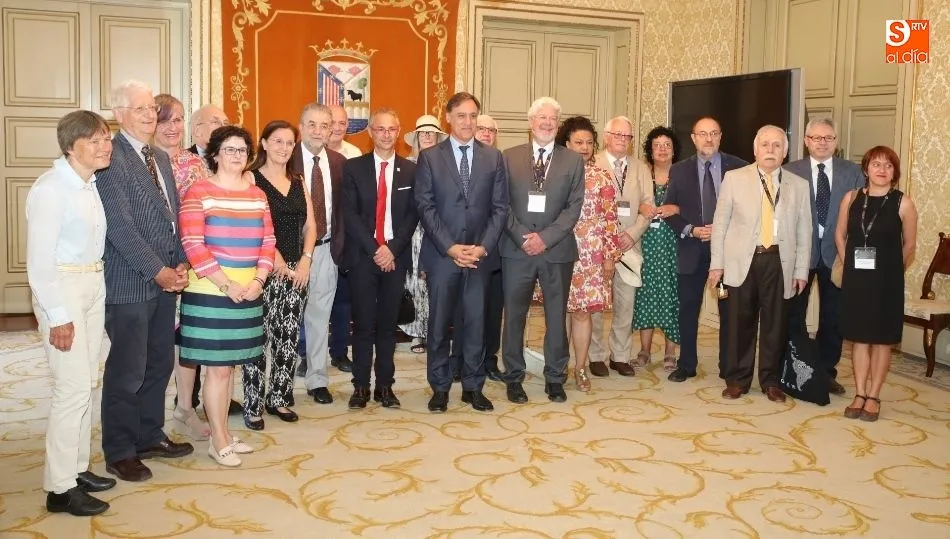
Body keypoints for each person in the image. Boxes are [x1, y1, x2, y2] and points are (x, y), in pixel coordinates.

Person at [97, 80, 194, 483]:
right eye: (140, 109)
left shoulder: (158, 155)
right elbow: (120, 227)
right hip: (130, 282)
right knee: (127, 369)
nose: (150, 115)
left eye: (152, 107)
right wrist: (159, 271)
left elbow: (171, 217)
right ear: (119, 115)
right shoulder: (109, 157)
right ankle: (119, 450)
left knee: (158, 363)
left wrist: (180, 262)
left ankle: (149, 434)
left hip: (165, 280)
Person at [27, 110, 116, 516]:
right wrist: (58, 314)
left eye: (106, 138)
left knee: (86, 383)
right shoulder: (51, 190)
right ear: (70, 146)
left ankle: (78, 469)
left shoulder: (87, 183)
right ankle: (60, 488)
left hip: (90, 285)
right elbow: (39, 264)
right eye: (95, 140)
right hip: (62, 288)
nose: (105, 146)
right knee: (71, 387)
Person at [179, 125, 276, 465]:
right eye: (229, 149)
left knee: (229, 368)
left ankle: (222, 430)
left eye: (241, 149)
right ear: (215, 154)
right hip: (211, 291)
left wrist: (259, 281)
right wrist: (227, 284)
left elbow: (268, 241)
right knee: (217, 370)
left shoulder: (257, 195)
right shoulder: (199, 191)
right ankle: (218, 438)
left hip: (249, 291)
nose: (236, 155)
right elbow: (193, 244)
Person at [415, 92, 508, 413]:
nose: (468, 122)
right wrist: (451, 247)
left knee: (476, 325)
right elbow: (425, 207)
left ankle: (473, 386)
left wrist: (482, 247)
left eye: (473, 116)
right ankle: (439, 387)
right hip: (443, 257)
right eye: (461, 116)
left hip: (480, 257)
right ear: (449, 119)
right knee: (439, 325)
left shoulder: (493, 158)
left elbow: (500, 209)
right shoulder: (430, 157)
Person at [709, 125, 811, 403]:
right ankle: (738, 380)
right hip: (741, 261)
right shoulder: (733, 179)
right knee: (740, 322)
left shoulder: (799, 186)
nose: (770, 150)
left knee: (775, 325)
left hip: (780, 261)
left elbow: (805, 231)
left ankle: (770, 380)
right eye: (765, 144)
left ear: (785, 152)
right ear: (755, 150)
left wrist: (801, 270)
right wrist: (716, 265)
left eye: (777, 145)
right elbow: (720, 226)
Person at [501, 97, 584, 403]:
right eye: (541, 118)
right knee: (513, 317)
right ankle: (513, 377)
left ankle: (555, 377)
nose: (547, 123)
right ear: (530, 122)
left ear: (558, 124)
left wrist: (545, 238)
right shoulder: (508, 157)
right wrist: (523, 236)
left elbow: (574, 208)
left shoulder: (572, 161)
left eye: (553, 119)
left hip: (556, 250)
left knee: (555, 316)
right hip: (516, 249)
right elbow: (502, 204)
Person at [341, 108, 419, 409]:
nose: (386, 134)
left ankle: (385, 387)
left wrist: (392, 248)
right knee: (362, 326)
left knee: (388, 326)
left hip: (395, 259)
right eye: (380, 129)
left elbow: (413, 215)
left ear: (398, 132)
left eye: (391, 129)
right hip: (363, 258)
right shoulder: (353, 168)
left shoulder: (411, 171)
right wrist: (376, 249)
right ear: (370, 132)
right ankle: (360, 386)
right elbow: (350, 214)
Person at [241, 120, 315, 430]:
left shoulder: (298, 179)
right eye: (278, 141)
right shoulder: (250, 178)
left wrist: (307, 260)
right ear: (264, 143)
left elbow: (311, 225)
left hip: (297, 272)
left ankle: (279, 398)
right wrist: (278, 261)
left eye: (289, 143)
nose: (284, 148)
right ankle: (253, 403)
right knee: (257, 339)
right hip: (261, 268)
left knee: (287, 337)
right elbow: (253, 223)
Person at [663, 116, 747, 383]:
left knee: (728, 311)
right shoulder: (679, 170)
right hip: (691, 251)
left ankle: (727, 365)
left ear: (720, 136)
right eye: (702, 134)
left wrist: (725, 232)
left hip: (726, 254)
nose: (708, 139)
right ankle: (686, 364)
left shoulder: (740, 168)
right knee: (688, 309)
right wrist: (692, 229)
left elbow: (747, 213)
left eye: (713, 133)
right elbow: (669, 211)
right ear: (693, 138)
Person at [837, 146, 917, 421]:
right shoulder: (851, 198)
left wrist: (892, 270)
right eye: (876, 164)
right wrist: (850, 265)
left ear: (894, 172)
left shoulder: (902, 202)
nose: (882, 170)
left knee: (881, 340)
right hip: (857, 279)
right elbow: (840, 235)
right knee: (859, 338)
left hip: (887, 282)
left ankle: (874, 395)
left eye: (888, 166)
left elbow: (909, 245)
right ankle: (859, 393)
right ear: (866, 168)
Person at [783, 118, 863, 396]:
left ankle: (827, 372)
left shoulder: (853, 172)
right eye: (816, 138)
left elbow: (860, 214)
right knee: (794, 314)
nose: (822, 143)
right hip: (798, 255)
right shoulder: (789, 171)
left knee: (834, 317)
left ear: (836, 141)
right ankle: (797, 366)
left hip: (836, 254)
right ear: (806, 141)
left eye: (828, 138)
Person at [153, 93, 212, 441]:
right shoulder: (141, 162)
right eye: (165, 120)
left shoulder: (195, 164)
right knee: (156, 346)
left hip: (191, 264)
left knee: (186, 340)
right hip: (153, 267)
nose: (173, 127)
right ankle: (148, 420)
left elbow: (206, 214)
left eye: (178, 120)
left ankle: (184, 409)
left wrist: (191, 260)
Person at [553, 116, 620, 392]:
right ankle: (558, 368)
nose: (584, 148)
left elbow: (610, 218)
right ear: (566, 144)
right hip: (558, 249)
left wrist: (609, 256)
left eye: (589, 143)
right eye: (578, 142)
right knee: (558, 313)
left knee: (582, 314)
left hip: (590, 254)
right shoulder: (553, 173)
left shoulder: (602, 175)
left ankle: (580, 369)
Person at [588, 116, 653, 378]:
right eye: (617, 135)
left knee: (625, 304)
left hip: (629, 245)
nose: (622, 140)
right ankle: (594, 356)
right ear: (606, 137)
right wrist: (606, 238)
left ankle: (621, 356)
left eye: (627, 136)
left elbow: (648, 206)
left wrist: (632, 234)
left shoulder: (641, 168)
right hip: (598, 246)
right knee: (596, 305)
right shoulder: (593, 163)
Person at [293, 103, 346, 404]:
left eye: (323, 125)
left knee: (318, 317)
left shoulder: (339, 163)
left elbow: (344, 210)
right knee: (285, 320)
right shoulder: (284, 159)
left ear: (330, 130)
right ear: (300, 127)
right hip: (291, 255)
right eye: (311, 124)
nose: (317, 131)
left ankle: (317, 379)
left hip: (326, 251)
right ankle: (280, 382)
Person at [449, 114, 504, 382]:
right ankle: (458, 360)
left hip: (493, 252)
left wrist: (484, 245)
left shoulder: (498, 161)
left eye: (491, 130)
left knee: (492, 312)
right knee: (462, 311)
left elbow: (502, 208)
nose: (485, 133)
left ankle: (489, 361)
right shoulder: (457, 159)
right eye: (481, 128)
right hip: (460, 249)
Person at [634, 126, 682, 372]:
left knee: (672, 297)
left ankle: (671, 351)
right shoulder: (642, 173)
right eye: (657, 145)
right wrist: (640, 207)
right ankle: (643, 350)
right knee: (646, 295)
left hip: (675, 245)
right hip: (646, 245)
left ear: (674, 150)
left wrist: (677, 209)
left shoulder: (683, 174)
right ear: (650, 150)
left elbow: (695, 206)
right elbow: (629, 201)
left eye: (667, 144)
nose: (662, 149)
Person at [399, 114, 448, 354]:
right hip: (411, 231)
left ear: (439, 137)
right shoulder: (406, 165)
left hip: (439, 231)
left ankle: (435, 332)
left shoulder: (447, 164)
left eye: (432, 132)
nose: (427, 136)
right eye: (423, 132)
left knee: (436, 283)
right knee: (415, 283)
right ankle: (417, 333)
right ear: (416, 138)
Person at [326, 104, 359, 378]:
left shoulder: (355, 155)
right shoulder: (308, 153)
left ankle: (339, 351)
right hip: (317, 239)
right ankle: (305, 353)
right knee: (309, 300)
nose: (337, 127)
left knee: (342, 299)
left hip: (347, 238)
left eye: (342, 122)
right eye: (332, 122)